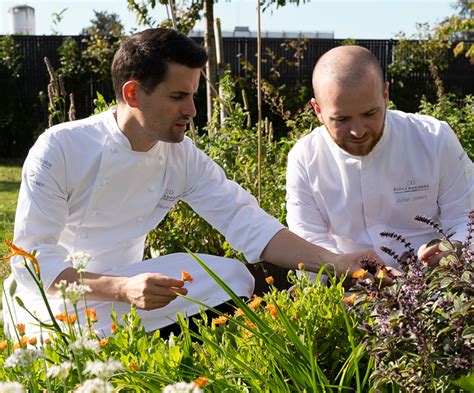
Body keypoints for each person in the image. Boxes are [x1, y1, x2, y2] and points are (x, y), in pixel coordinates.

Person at [3, 30, 385, 338]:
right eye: (178, 96)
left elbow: (244, 220)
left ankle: (156, 342)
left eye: (193, 95)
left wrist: (334, 262)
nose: (192, 110)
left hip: (140, 290)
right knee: (62, 332)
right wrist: (122, 288)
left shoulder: (180, 155)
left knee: (233, 277)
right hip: (57, 301)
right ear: (133, 93)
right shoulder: (61, 148)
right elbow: (32, 263)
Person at [286, 45, 473, 276]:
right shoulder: (304, 158)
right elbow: (308, 240)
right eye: (342, 119)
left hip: (437, 287)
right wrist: (351, 275)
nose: (358, 131)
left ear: (385, 95)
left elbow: (466, 217)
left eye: (369, 114)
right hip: (349, 293)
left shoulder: (434, 139)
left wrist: (453, 249)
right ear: (317, 110)